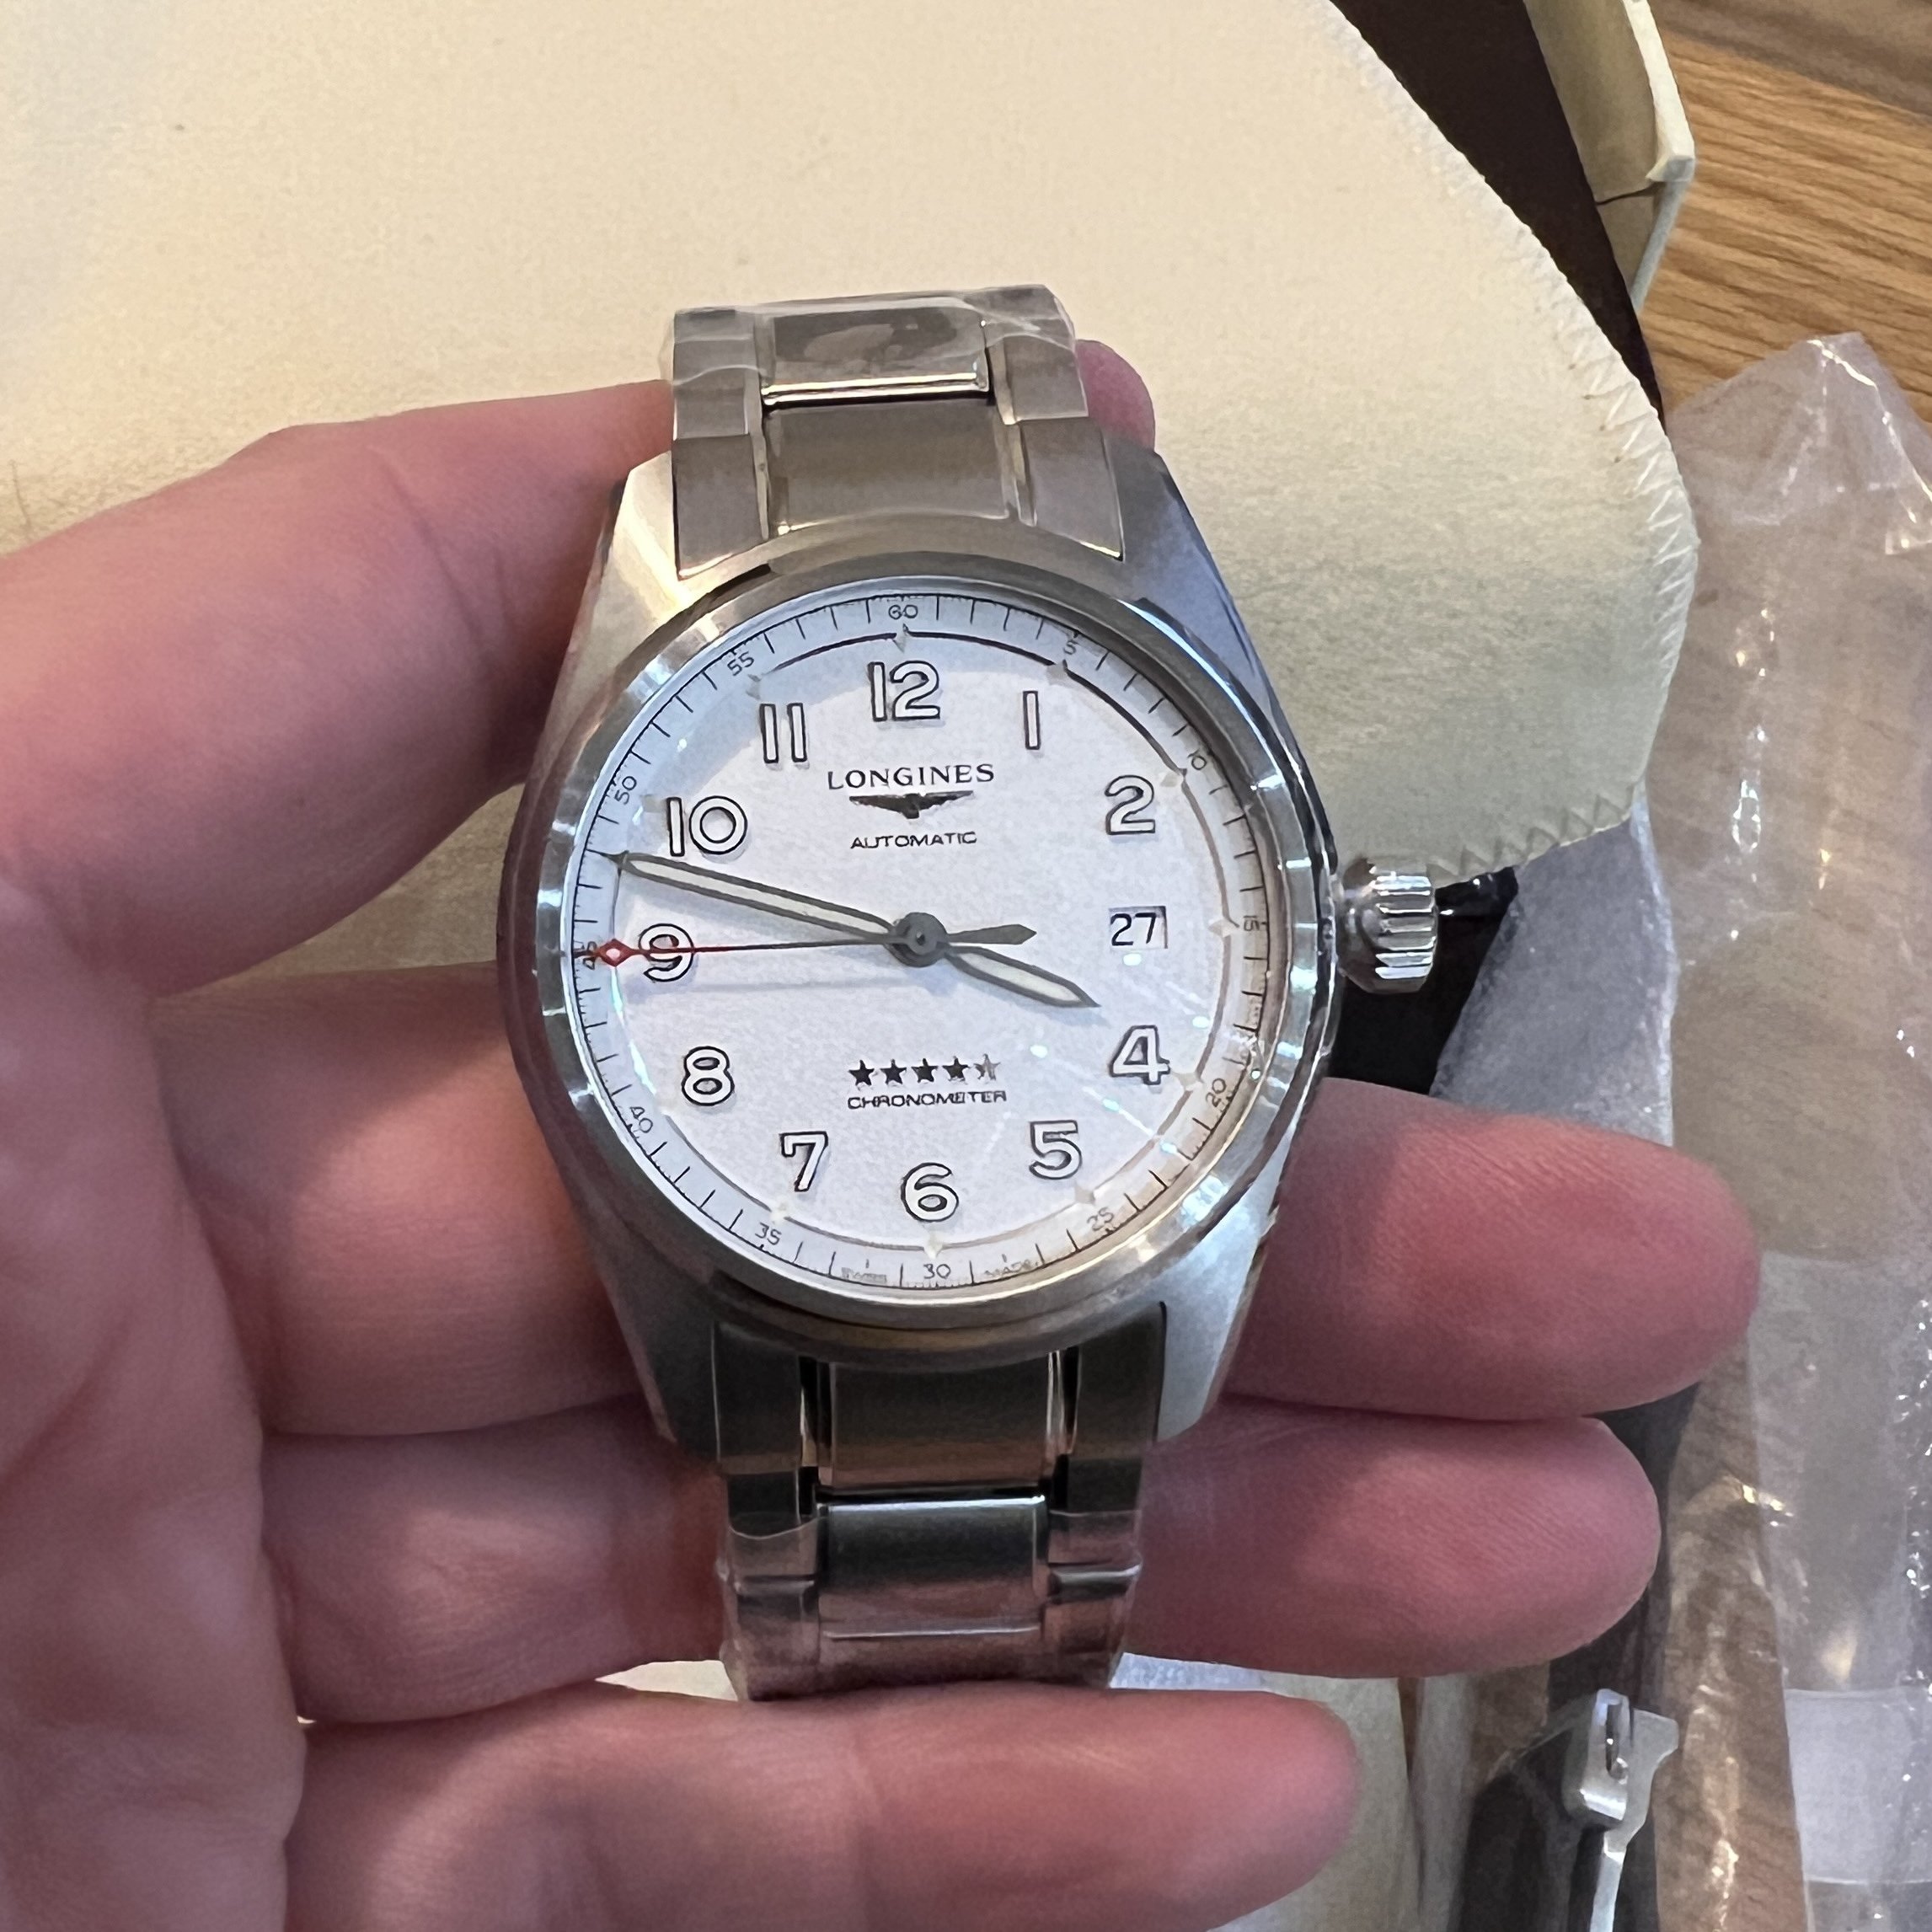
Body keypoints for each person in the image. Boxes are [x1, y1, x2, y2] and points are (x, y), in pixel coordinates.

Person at [0, 356, 1757, 1931]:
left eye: (932, 928)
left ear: (1338, 929)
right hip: (761, 1253)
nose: (918, 937)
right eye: (900, 929)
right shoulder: (675, 595)